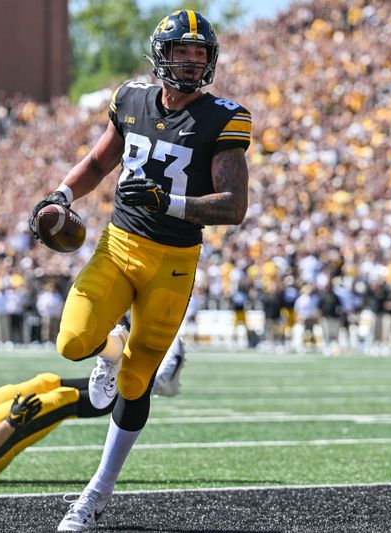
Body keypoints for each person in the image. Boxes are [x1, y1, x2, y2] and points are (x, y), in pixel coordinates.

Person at [29, 10, 250, 531]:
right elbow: (100, 162)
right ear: (161, 56)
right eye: (183, 52)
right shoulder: (130, 99)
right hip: (119, 246)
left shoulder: (224, 117)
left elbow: (233, 206)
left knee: (135, 383)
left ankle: (96, 493)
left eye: (201, 54)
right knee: (73, 341)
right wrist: (59, 196)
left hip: (173, 263)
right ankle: (112, 345)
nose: (192, 63)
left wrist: (168, 201)